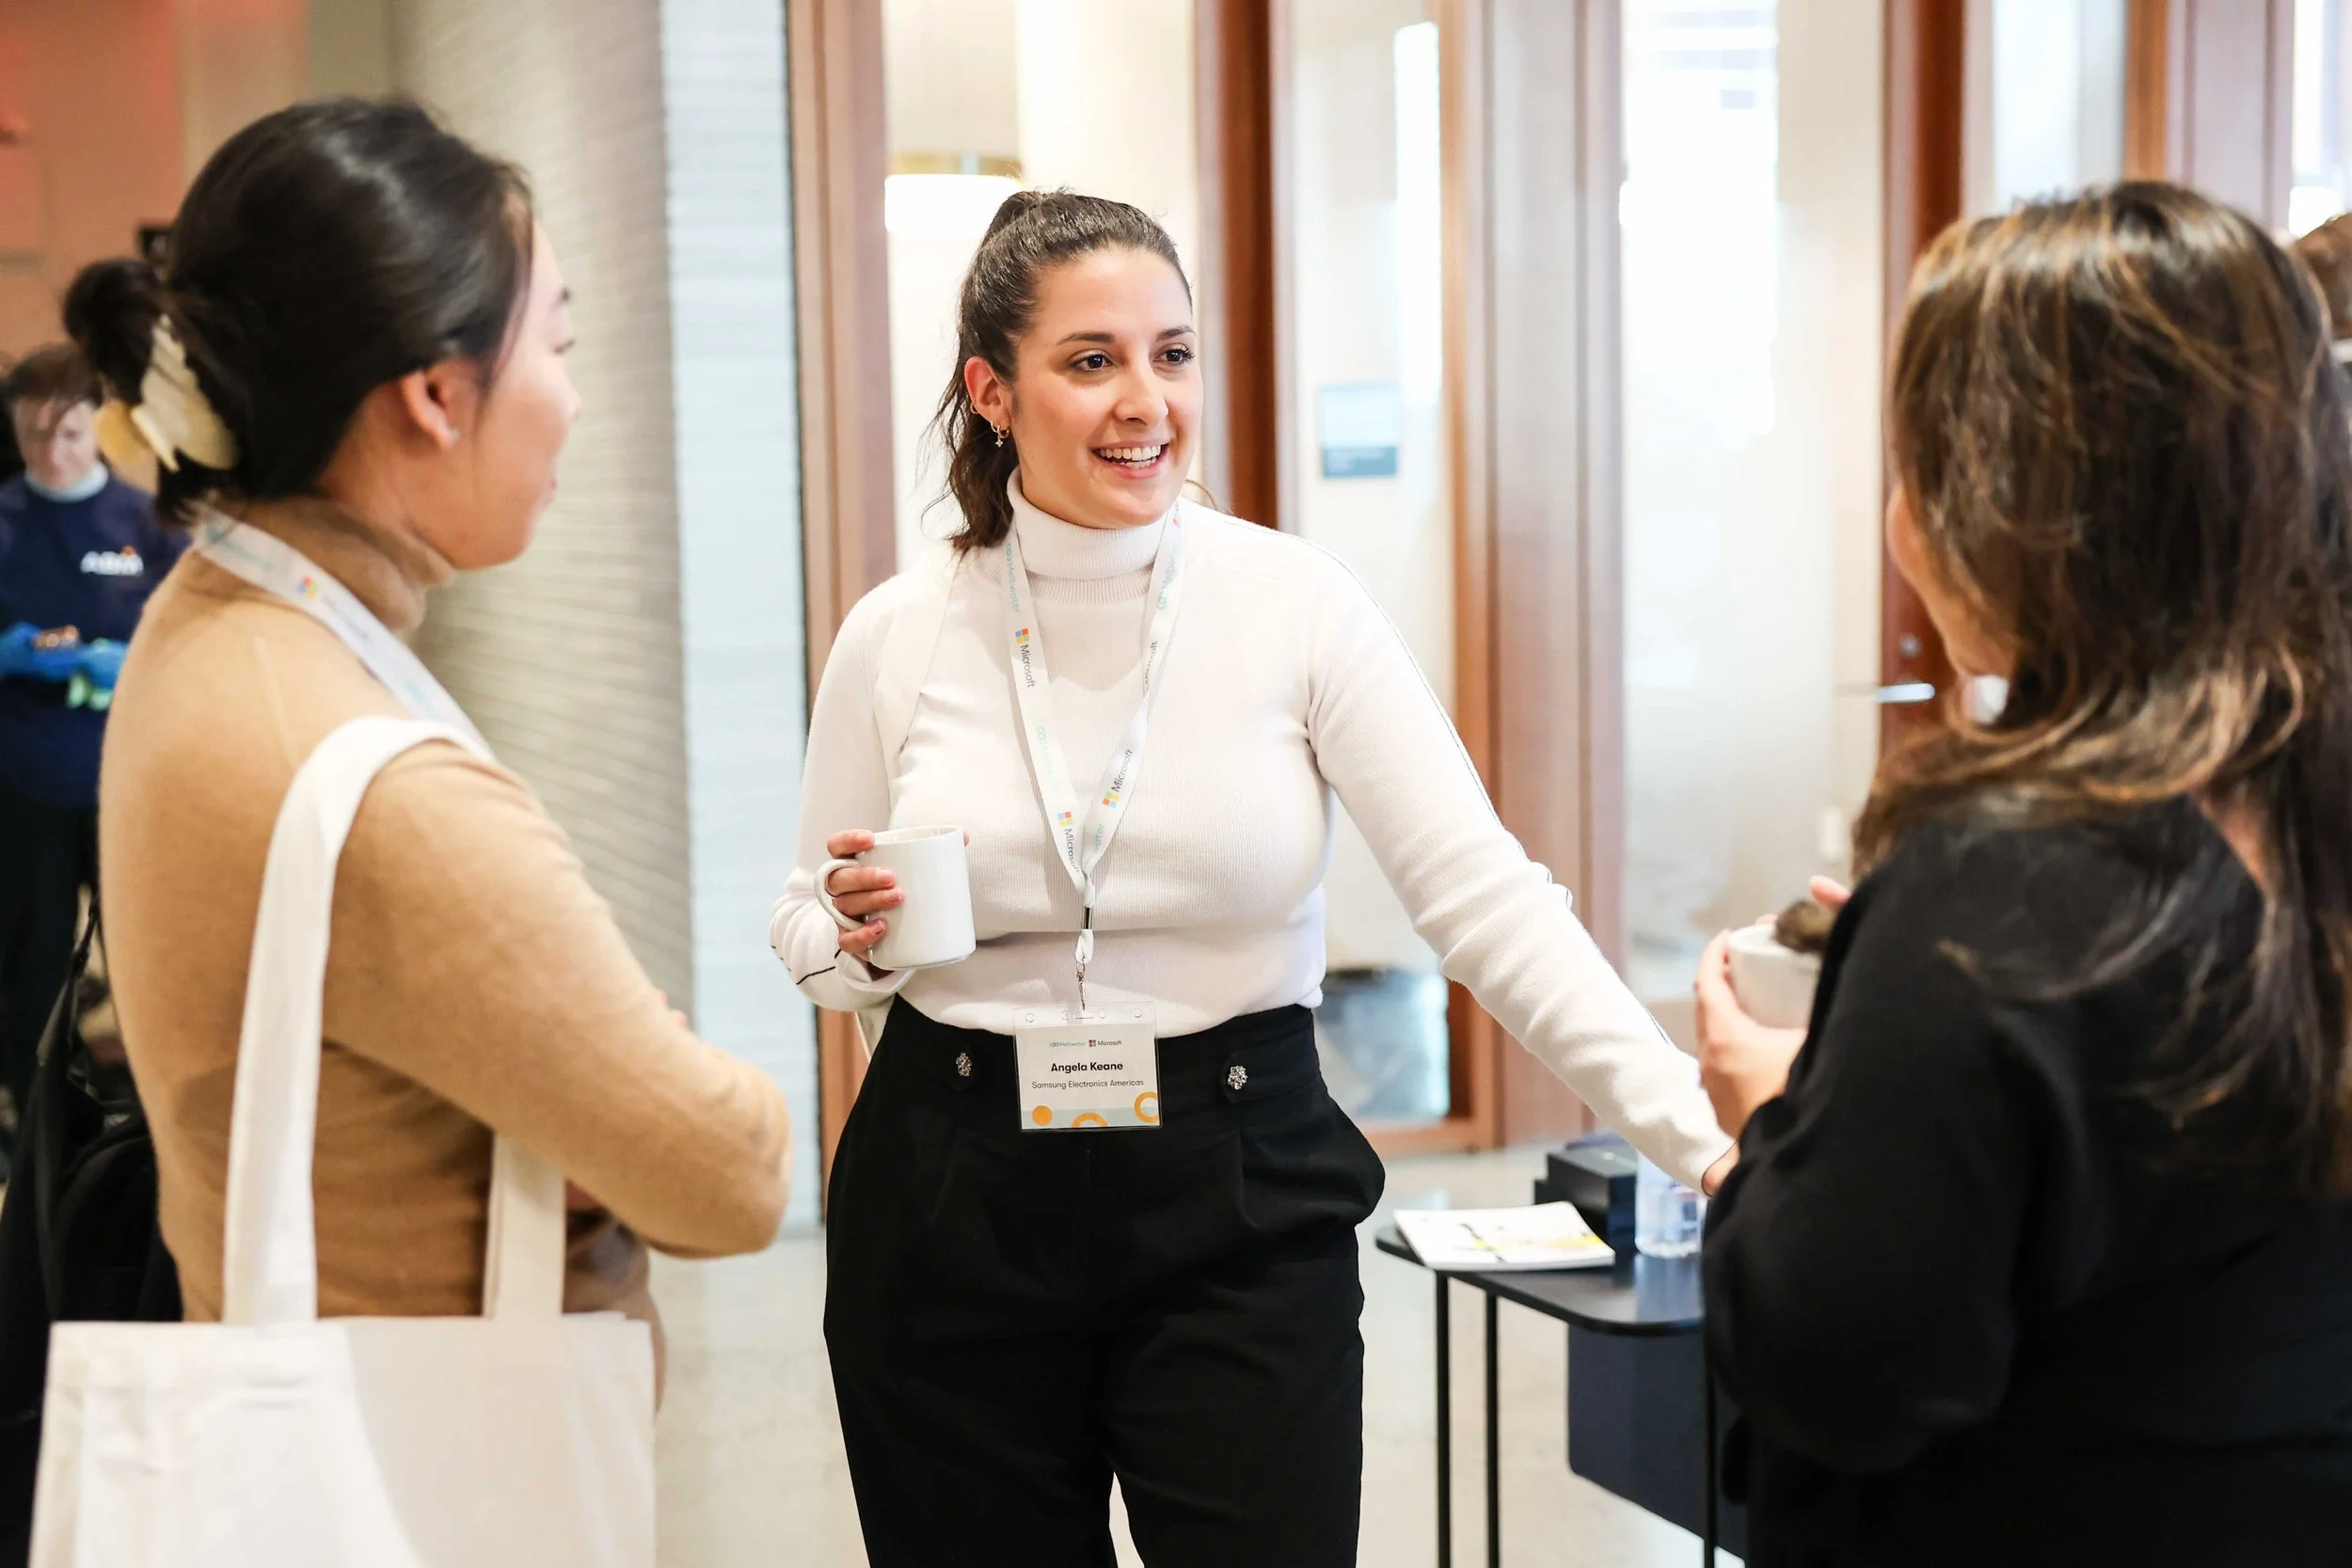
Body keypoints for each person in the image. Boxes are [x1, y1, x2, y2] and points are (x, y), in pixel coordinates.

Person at [771, 189, 1730, 1566]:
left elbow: (1488, 899)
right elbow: (807, 922)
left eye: (1172, 353)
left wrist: (1705, 1140)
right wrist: (856, 941)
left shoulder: (1295, 605)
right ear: (992, 392)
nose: (1145, 400)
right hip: (948, 1190)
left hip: (1234, 1186)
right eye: (1091, 359)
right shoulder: (902, 630)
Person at [64, 100, 790, 1357]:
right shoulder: (383, 791)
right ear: (439, 395)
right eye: (556, 344)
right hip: (412, 1445)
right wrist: (612, 1103)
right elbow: (732, 1170)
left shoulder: (206, 615)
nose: (573, 399)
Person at [1694, 182, 2352, 1567]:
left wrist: (1775, 1122)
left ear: (2006, 508)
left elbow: (1844, 1367)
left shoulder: (1996, 890)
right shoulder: (2298, 818)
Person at [0, 345, 181, 1171]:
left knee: (146, 956)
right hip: (25, 783)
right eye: (34, 435)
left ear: (99, 424)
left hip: (128, 785)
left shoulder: (147, 525)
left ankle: (151, 1131)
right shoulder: (6, 521)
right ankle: (38, 1132)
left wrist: (133, 659)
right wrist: (16, 653)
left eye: (70, 434)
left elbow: (195, 638)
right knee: (31, 965)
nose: (53, 453)